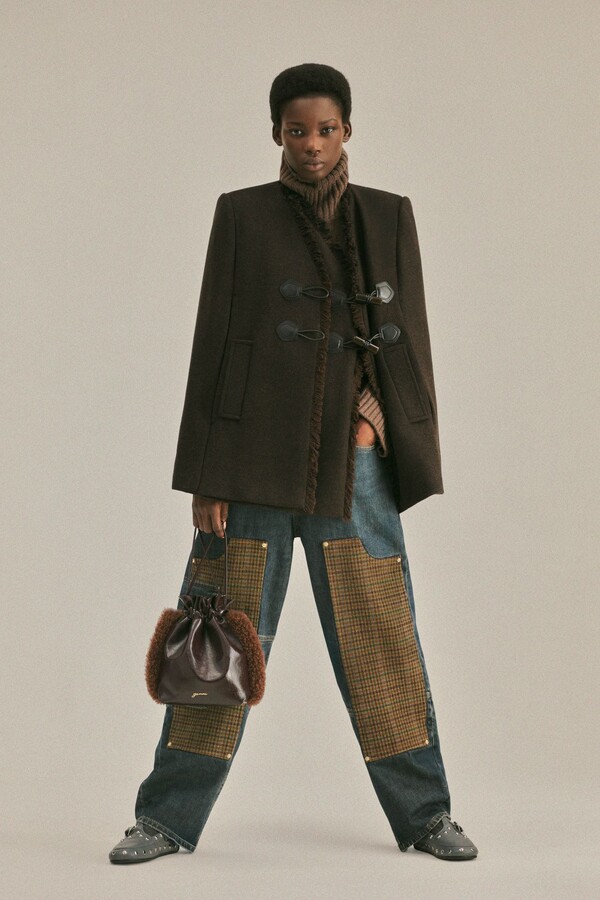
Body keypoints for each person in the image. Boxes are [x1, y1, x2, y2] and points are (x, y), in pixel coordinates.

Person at [109, 63, 478, 864]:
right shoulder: (241, 215)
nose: (312, 143)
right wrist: (207, 475)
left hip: (355, 473)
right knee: (218, 642)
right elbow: (214, 344)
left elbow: (405, 339)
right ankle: (165, 819)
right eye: (297, 129)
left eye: (326, 129)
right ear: (276, 132)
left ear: (348, 131)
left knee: (381, 640)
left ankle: (425, 815)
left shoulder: (387, 214)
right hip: (251, 469)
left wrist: (376, 420)